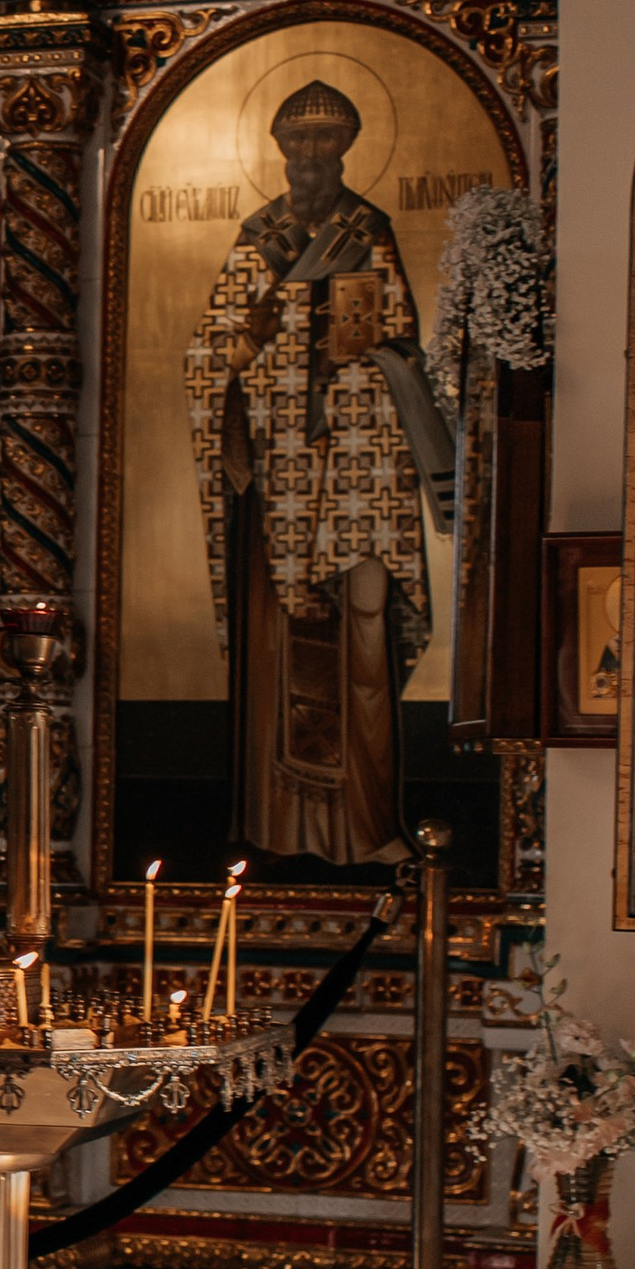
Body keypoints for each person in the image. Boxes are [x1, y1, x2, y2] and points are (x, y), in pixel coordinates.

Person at [185, 79, 454, 866]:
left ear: (346, 146)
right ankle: (281, 830)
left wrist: (360, 374)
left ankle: (367, 828)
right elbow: (209, 358)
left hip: (356, 480)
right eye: (297, 140)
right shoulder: (255, 236)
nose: (310, 154)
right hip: (275, 490)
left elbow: (404, 346)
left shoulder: (365, 231)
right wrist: (246, 347)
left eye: (326, 139)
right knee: (279, 655)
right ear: (278, 147)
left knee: (361, 643)